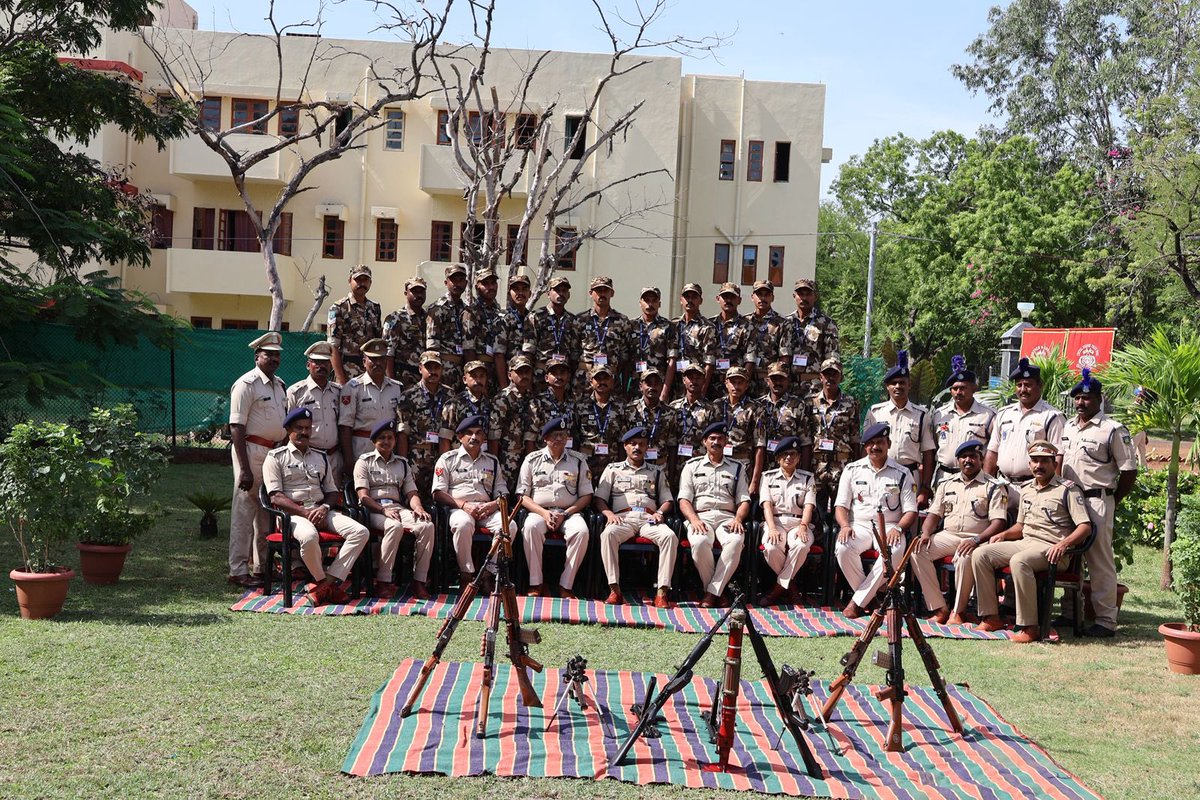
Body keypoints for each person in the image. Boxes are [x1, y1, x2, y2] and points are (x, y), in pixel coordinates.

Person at [971, 440, 1091, 643]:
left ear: (1054, 463)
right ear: (1029, 464)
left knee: (1020, 561)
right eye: (1035, 461)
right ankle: (991, 617)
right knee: (980, 554)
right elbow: (1020, 527)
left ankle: (1030, 626)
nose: (1039, 466)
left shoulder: (1067, 490)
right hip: (1026, 543)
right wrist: (1003, 535)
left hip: (1053, 550)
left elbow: (1085, 527)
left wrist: (1064, 544)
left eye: (1044, 461)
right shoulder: (1026, 489)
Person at [263, 408, 369, 606]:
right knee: (309, 536)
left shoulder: (321, 457)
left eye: (307, 428)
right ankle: (324, 583)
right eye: (299, 428)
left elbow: (332, 492)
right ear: (288, 429)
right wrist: (305, 512)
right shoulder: (275, 457)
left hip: (321, 510)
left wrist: (324, 509)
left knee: (361, 532)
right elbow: (276, 497)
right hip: (292, 514)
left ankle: (325, 584)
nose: (304, 432)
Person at [1060, 370, 1137, 637]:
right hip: (1069, 501)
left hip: (1097, 501)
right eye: (1078, 398)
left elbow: (1129, 471)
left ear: (1099, 399)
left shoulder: (1112, 430)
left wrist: (1112, 499)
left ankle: (1105, 620)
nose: (1081, 403)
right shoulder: (1068, 426)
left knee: (1099, 561)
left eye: (1088, 398)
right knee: (1069, 559)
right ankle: (1070, 612)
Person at [911, 440, 1008, 624]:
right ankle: (939, 608)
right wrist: (925, 533)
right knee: (917, 551)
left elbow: (999, 522)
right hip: (949, 535)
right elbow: (933, 515)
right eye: (964, 457)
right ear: (958, 460)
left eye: (973, 456)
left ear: (981, 459)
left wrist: (977, 540)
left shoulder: (993, 486)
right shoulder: (946, 484)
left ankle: (959, 611)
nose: (968, 460)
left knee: (964, 558)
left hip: (978, 539)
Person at [835, 422, 918, 618]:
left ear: (888, 443)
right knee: (843, 547)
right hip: (860, 525)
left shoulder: (903, 473)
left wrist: (898, 529)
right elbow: (841, 505)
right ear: (865, 447)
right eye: (870, 443)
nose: (875, 447)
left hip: (890, 527)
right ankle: (869, 599)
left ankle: (857, 602)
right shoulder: (852, 469)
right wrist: (845, 525)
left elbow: (911, 511)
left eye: (880, 442)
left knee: (895, 552)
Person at [228, 331, 287, 588]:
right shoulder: (246, 384)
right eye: (268, 354)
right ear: (257, 356)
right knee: (244, 510)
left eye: (277, 355)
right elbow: (236, 427)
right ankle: (237, 570)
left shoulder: (280, 384)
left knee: (267, 512)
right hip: (250, 450)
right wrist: (243, 468)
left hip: (273, 453)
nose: (274, 359)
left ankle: (261, 568)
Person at [594, 426, 678, 609]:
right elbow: (599, 498)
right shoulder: (613, 469)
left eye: (641, 444)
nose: (637, 448)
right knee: (607, 535)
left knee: (670, 537)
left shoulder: (656, 471)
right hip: (622, 518)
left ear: (647, 447)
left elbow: (667, 500)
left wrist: (660, 512)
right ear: (625, 446)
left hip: (649, 518)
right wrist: (608, 513)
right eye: (633, 444)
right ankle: (614, 590)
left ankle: (662, 592)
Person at [353, 419, 435, 599]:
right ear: (374, 441)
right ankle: (383, 582)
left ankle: (418, 581)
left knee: (427, 525)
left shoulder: (402, 463)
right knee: (394, 526)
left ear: (395, 441)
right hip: (374, 509)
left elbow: (411, 492)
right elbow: (363, 497)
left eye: (390, 437)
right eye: (382, 438)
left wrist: (419, 508)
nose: (386, 441)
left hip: (397, 508)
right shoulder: (364, 462)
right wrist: (383, 511)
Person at [432, 414, 516, 586]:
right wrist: (464, 505)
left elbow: (503, 492)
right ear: (459, 437)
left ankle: (488, 573)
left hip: (487, 509)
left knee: (510, 526)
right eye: (469, 433)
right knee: (463, 524)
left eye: (478, 433)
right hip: (459, 508)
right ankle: (467, 574)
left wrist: (494, 504)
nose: (474, 437)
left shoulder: (492, 461)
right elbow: (438, 492)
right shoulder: (448, 459)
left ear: (484, 437)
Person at [517, 416, 594, 598]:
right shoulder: (532, 460)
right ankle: (536, 583)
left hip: (569, 512)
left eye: (562, 435)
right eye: (554, 435)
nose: (559, 439)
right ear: (545, 438)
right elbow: (522, 496)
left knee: (581, 531)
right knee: (530, 527)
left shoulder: (578, 461)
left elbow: (586, 496)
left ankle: (566, 585)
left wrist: (565, 514)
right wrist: (544, 513)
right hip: (540, 511)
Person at [677, 422, 751, 608]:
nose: (716, 442)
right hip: (701, 517)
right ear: (704, 442)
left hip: (728, 517)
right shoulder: (691, 466)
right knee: (700, 542)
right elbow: (684, 500)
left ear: (726, 442)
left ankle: (711, 593)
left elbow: (744, 499)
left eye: (720, 439)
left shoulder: (737, 467)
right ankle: (719, 592)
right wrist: (693, 519)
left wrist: (738, 519)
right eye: (712, 438)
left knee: (735, 541)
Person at [865, 351, 935, 508]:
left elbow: (928, 454)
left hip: (911, 475)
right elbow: (866, 448)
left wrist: (925, 487)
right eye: (893, 383)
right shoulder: (875, 412)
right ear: (887, 387)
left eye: (902, 383)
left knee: (909, 521)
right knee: (881, 516)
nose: (898, 386)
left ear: (909, 385)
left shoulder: (922, 415)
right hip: (882, 473)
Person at [984, 357, 1066, 489]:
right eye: (1019, 385)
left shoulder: (1052, 416)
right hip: (1002, 484)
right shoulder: (1004, 413)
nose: (1023, 389)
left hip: (1034, 486)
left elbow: (1058, 456)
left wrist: (1053, 490)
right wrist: (985, 483)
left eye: (1028, 385)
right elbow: (993, 451)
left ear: (1040, 385)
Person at [757, 437, 818, 606]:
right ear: (778, 458)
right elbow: (767, 506)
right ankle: (790, 587)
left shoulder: (807, 478)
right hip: (775, 523)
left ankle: (777, 590)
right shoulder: (767, 477)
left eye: (793, 454)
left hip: (799, 523)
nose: (789, 458)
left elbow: (809, 506)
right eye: (785, 454)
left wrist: (804, 527)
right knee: (770, 547)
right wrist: (771, 528)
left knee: (801, 545)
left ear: (799, 458)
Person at [930, 356, 996, 486]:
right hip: (944, 477)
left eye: (963, 388)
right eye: (955, 389)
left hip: (974, 478)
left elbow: (993, 451)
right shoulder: (939, 415)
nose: (958, 392)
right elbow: (932, 448)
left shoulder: (988, 416)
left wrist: (986, 480)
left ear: (974, 388)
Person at [338, 338, 404, 468]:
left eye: (381, 359)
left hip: (389, 450)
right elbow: (345, 426)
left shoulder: (397, 388)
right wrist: (348, 460)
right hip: (362, 450)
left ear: (386, 361)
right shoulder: (352, 388)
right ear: (364, 362)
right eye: (373, 359)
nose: (377, 363)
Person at [396, 350, 452, 501]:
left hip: (442, 456)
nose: (433, 372)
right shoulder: (408, 396)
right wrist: (403, 464)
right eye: (429, 367)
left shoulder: (450, 396)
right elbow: (403, 434)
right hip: (417, 457)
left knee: (441, 500)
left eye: (436, 368)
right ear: (420, 368)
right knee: (414, 500)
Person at [286, 341, 343, 489]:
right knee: (310, 497)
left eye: (325, 362)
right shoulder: (296, 392)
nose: (321, 366)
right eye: (316, 362)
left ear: (331, 366)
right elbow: (287, 427)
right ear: (308, 365)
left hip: (334, 456)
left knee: (334, 499)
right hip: (308, 455)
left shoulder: (339, 392)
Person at [810, 356, 860, 511]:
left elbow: (855, 438)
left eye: (834, 374)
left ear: (841, 377)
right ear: (820, 377)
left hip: (842, 465)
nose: (830, 378)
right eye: (826, 374)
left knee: (842, 509)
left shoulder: (850, 403)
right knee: (817, 513)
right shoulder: (810, 402)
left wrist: (856, 468)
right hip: (817, 465)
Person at [487, 354, 539, 486]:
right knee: (502, 494)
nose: (524, 376)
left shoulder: (531, 398)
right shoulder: (503, 398)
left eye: (527, 372)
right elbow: (494, 435)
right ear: (510, 375)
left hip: (525, 455)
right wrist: (494, 464)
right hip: (505, 456)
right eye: (519, 372)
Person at [784, 277, 839, 398]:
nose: (804, 298)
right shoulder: (786, 322)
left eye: (808, 294)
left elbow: (832, 358)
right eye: (800, 294)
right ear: (794, 296)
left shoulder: (826, 323)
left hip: (815, 386)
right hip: (789, 386)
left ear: (815, 296)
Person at [327, 265, 382, 385]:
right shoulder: (339, 308)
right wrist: (341, 379)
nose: (362, 283)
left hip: (369, 373)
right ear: (349, 281)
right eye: (358, 280)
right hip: (347, 371)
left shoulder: (374, 308)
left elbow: (378, 342)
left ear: (370, 283)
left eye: (365, 280)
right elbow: (333, 347)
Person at [576, 275, 630, 396]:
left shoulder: (622, 321)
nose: (602, 294)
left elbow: (625, 356)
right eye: (598, 290)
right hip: (584, 380)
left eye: (605, 290)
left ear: (612, 293)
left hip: (610, 380)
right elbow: (573, 351)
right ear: (591, 293)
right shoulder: (580, 320)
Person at [425, 263, 476, 390]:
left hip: (461, 369)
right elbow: (432, 348)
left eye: (460, 280)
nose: (457, 284)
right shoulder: (437, 309)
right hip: (443, 370)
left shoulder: (466, 310)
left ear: (465, 283)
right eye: (453, 280)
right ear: (446, 282)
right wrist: (435, 374)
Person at [717, 366, 767, 494]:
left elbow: (760, 445)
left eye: (740, 382)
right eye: (733, 382)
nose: (736, 386)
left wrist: (755, 481)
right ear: (726, 383)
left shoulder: (755, 408)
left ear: (747, 385)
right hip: (720, 462)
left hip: (743, 465)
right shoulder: (717, 405)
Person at [574, 363, 629, 479]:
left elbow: (623, 439)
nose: (602, 382)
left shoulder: (621, 406)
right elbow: (575, 437)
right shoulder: (580, 406)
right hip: (586, 462)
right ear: (591, 382)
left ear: (612, 382)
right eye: (598, 379)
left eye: (605, 378)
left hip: (613, 462)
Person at [667, 362, 715, 490]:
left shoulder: (711, 409)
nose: (694, 381)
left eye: (698, 377)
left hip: (700, 464)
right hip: (676, 462)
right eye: (690, 377)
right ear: (684, 380)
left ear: (704, 380)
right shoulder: (673, 407)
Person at [758, 361, 813, 468]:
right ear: (767, 381)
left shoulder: (798, 405)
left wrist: (805, 472)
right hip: (763, 465)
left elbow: (805, 442)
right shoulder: (759, 405)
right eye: (774, 379)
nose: (777, 382)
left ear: (788, 380)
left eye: (781, 379)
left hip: (789, 465)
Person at [523, 275, 579, 380]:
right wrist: (527, 377)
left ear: (569, 295)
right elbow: (528, 351)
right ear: (548, 293)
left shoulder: (572, 320)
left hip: (563, 376)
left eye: (564, 290)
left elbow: (574, 354)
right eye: (557, 290)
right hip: (540, 374)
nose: (561, 294)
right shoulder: (535, 316)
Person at [709, 282, 755, 399]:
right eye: (725, 297)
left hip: (736, 385)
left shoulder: (747, 326)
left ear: (739, 300)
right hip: (711, 384)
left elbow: (749, 360)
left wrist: (742, 386)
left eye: (732, 297)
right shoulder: (709, 324)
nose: (728, 300)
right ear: (718, 299)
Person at [670, 282, 716, 398]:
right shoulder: (673, 325)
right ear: (681, 300)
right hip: (676, 384)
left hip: (695, 384)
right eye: (687, 297)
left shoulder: (706, 327)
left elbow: (709, 363)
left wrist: (702, 390)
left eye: (694, 297)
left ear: (700, 300)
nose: (690, 300)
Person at [627, 286, 674, 400]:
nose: (650, 304)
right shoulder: (631, 325)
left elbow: (672, 361)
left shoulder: (668, 326)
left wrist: (664, 391)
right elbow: (626, 359)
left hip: (657, 385)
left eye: (654, 301)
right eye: (646, 300)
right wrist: (624, 389)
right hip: (635, 386)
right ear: (640, 303)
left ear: (659, 303)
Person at [382, 276, 428, 388]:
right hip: (403, 378)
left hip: (425, 378)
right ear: (406, 293)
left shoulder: (429, 318)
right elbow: (388, 354)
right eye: (414, 291)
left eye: (422, 291)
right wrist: (391, 383)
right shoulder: (395, 318)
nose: (419, 295)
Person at [437, 359, 492, 453]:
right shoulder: (454, 404)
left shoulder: (489, 404)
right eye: (474, 376)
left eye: (481, 376)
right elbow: (445, 438)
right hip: (460, 458)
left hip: (483, 458)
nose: (478, 380)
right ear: (464, 379)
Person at [492, 269, 532, 392]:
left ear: (530, 293)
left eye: (524, 289)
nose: (520, 293)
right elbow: (499, 355)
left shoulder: (533, 318)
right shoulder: (502, 319)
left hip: (527, 377)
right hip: (510, 377)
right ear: (509, 293)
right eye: (516, 290)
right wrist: (504, 385)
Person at [747, 279, 789, 397]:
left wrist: (781, 384)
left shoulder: (782, 323)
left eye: (767, 295)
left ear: (772, 297)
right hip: (746, 382)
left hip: (770, 383)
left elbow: (784, 358)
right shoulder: (745, 322)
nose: (762, 298)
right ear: (752, 297)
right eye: (759, 294)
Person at [628, 367, 674, 467]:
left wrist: (671, 477)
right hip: (635, 467)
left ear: (662, 386)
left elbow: (672, 446)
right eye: (648, 383)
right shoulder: (629, 410)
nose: (652, 387)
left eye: (656, 383)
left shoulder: (670, 412)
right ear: (641, 386)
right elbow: (623, 442)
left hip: (660, 467)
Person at [530, 353, 577, 446]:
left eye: (562, 373)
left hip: (568, 455)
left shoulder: (572, 403)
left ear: (568, 377)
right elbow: (530, 436)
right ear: (546, 378)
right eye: (554, 373)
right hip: (544, 455)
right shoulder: (537, 402)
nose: (559, 377)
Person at [470, 266, 504, 393]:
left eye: (493, 283)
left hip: (497, 369)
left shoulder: (498, 310)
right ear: (477, 287)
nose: (491, 287)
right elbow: (469, 350)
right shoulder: (471, 312)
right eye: (485, 283)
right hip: (480, 370)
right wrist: (474, 378)